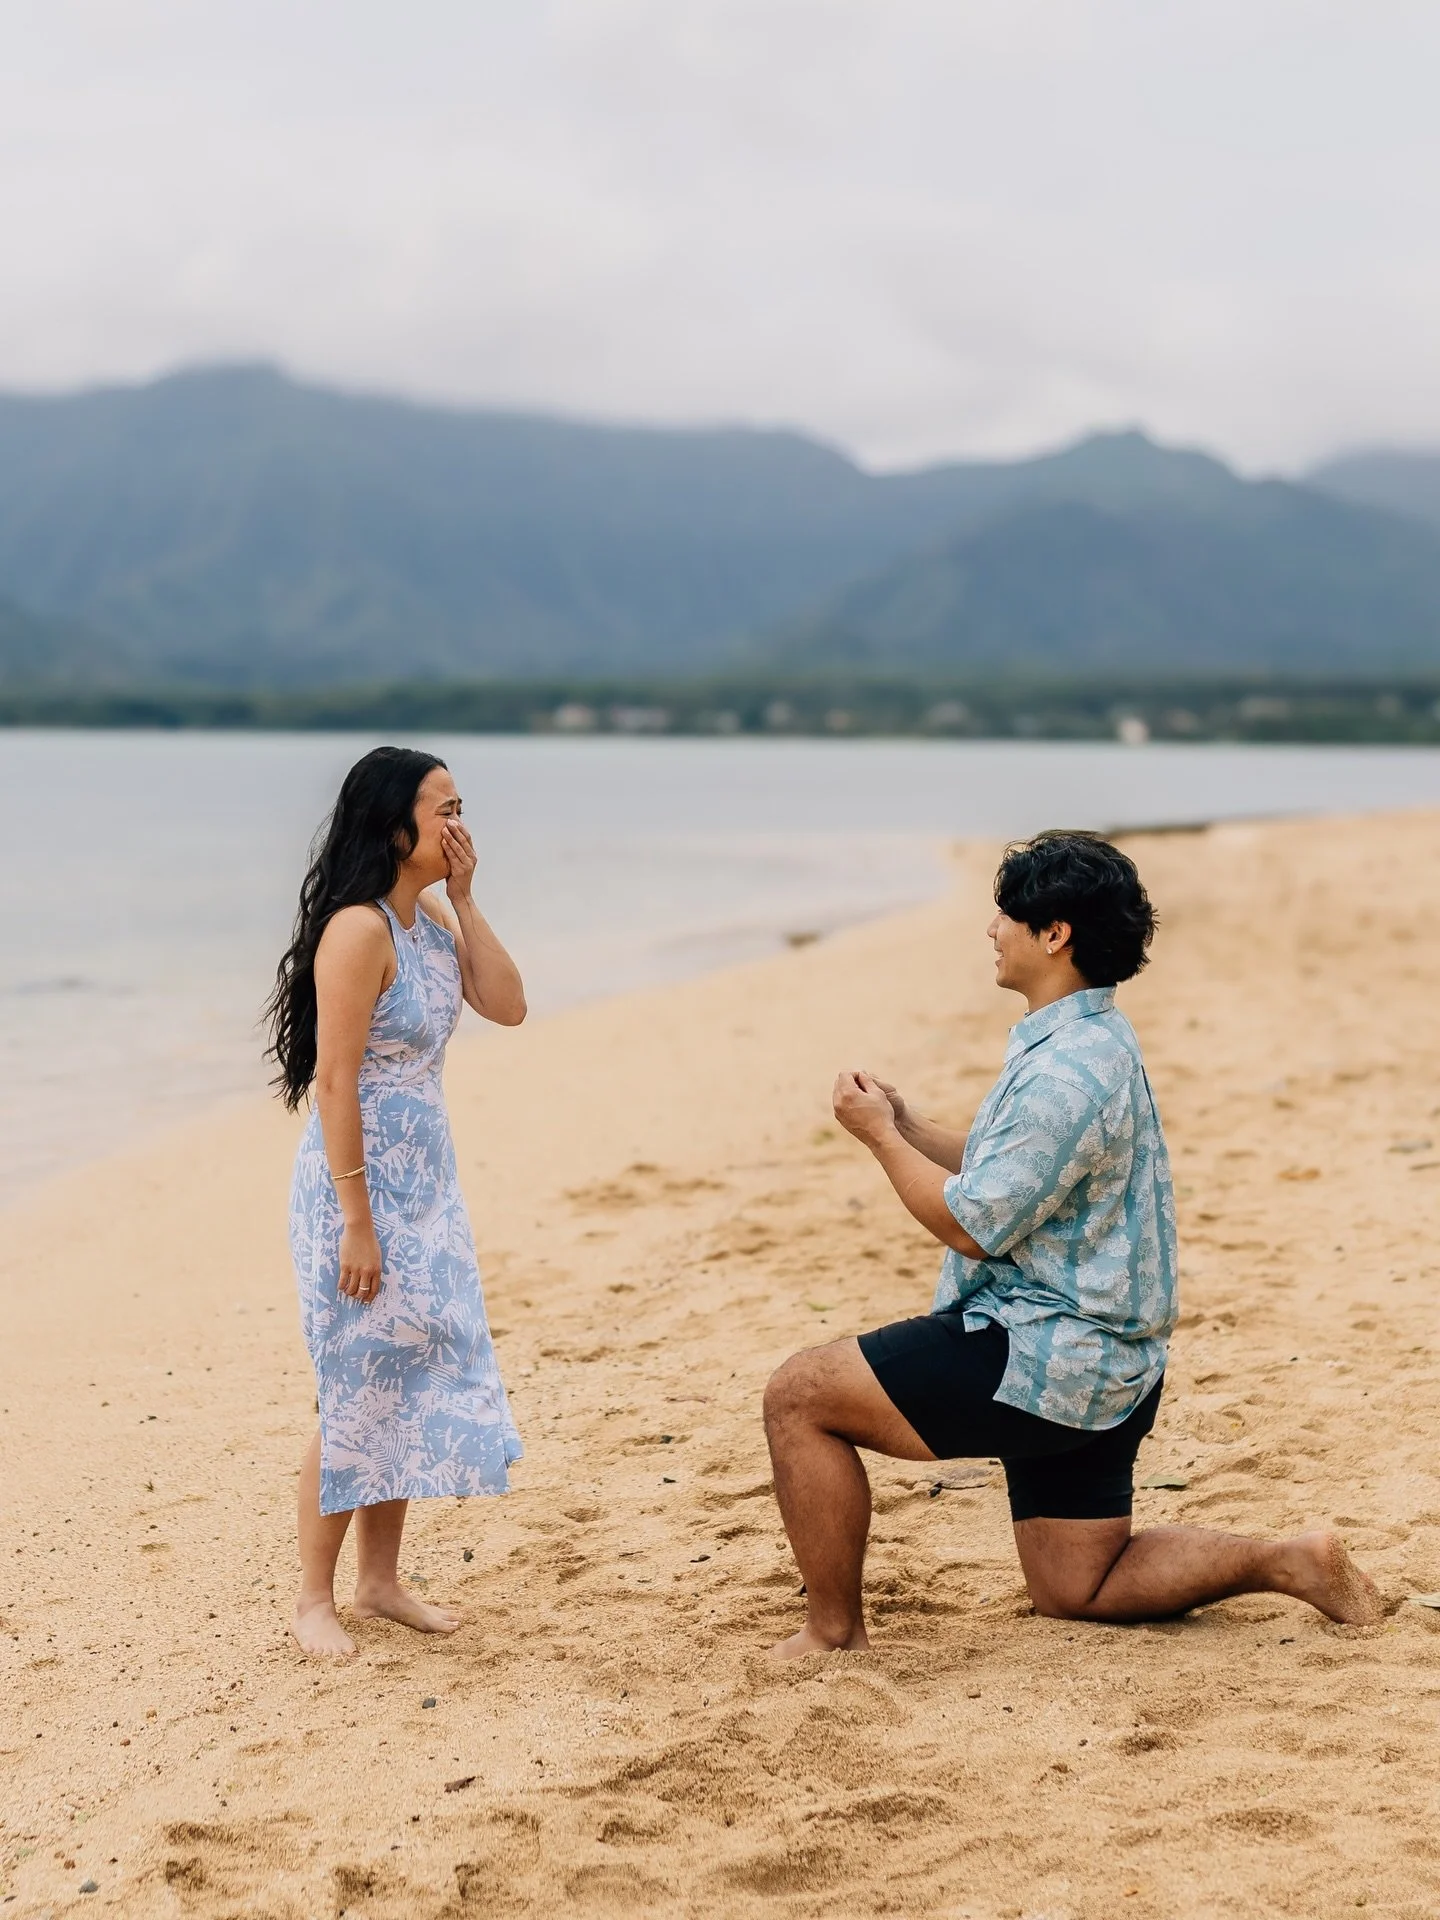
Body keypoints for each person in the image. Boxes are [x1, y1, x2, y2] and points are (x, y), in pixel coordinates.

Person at [763, 829, 1380, 1658]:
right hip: (1108, 1362)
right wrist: (906, 1123)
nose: (991, 929)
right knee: (1074, 1586)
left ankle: (832, 1634)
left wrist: (878, 1140)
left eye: (1007, 914)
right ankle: (1289, 1561)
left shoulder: (1065, 1071)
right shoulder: (1090, 1037)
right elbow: (1007, 1169)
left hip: (1050, 1357)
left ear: (1055, 934)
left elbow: (970, 1225)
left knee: (800, 1396)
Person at [266, 746, 527, 1658]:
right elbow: (333, 1084)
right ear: (394, 825)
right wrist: (358, 1221)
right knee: (355, 1384)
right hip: (357, 1189)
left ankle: (380, 1584)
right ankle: (314, 1599)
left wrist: (464, 899)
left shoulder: (424, 929)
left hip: (427, 1188)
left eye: (464, 806)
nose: (460, 824)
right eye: (443, 808)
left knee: (408, 1376)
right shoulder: (360, 931)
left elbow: (509, 1005)